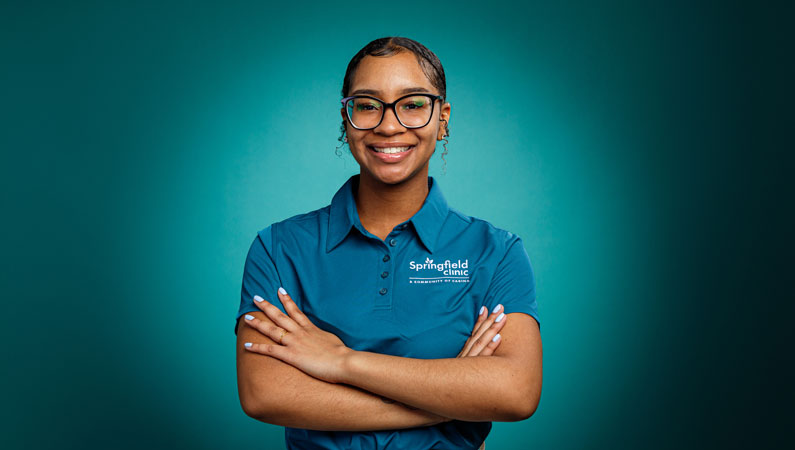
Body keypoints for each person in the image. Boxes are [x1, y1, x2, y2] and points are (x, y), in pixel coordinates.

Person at [234, 36, 542, 450]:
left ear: (443, 117)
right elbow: (265, 394)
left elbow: (515, 392)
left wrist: (341, 361)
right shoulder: (279, 248)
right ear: (346, 117)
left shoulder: (496, 251)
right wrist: (451, 400)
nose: (389, 124)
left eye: (413, 104)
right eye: (367, 105)